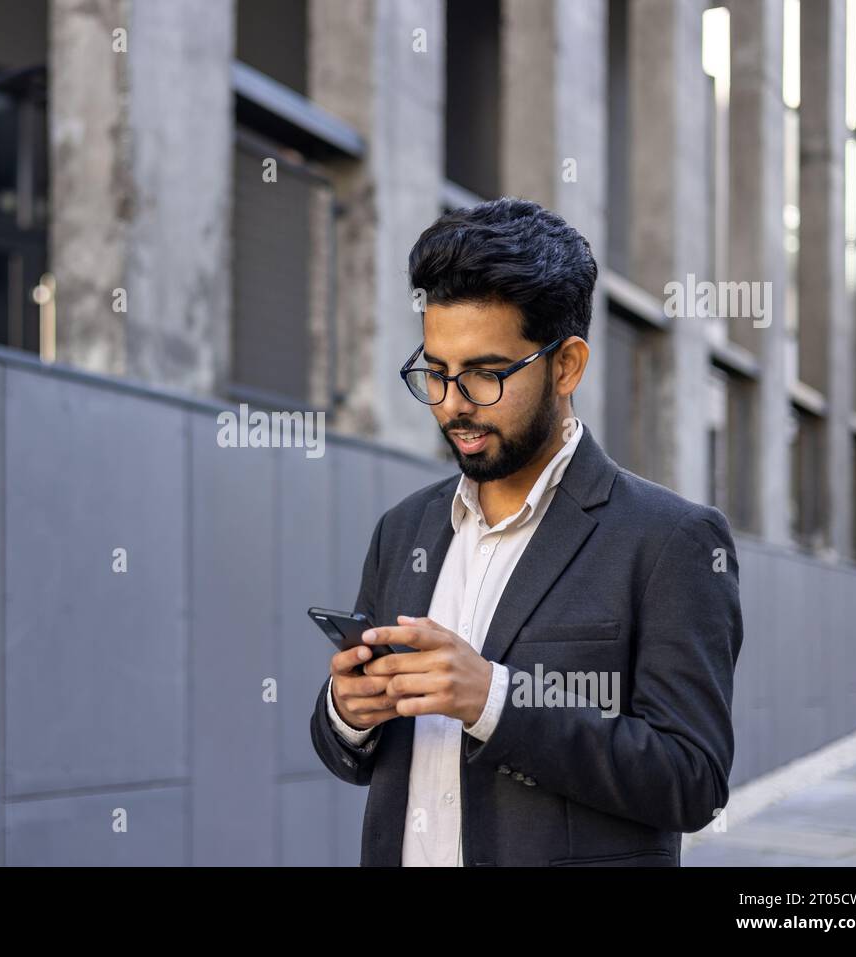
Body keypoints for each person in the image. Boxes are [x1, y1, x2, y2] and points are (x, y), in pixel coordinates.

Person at [309, 197, 743, 867]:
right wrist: (348, 709)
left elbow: (693, 780)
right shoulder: (404, 529)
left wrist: (495, 700)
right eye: (435, 371)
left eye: (485, 373)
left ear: (566, 365)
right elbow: (357, 759)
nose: (453, 403)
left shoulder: (671, 541)